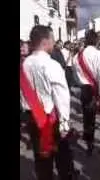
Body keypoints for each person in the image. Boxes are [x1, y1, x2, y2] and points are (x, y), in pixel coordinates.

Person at [20, 25, 77, 180]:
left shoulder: (24, 64)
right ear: (45, 41)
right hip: (50, 120)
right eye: (52, 39)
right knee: (62, 158)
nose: (53, 43)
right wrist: (65, 123)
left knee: (42, 160)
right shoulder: (51, 64)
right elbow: (62, 96)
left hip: (32, 119)